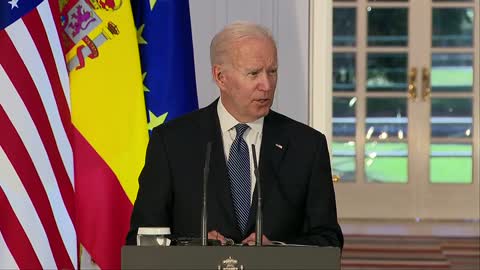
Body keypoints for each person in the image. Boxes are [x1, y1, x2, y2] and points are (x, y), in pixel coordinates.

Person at [126, 21, 343, 247]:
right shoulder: (172, 143)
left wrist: (280, 251)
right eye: (254, 73)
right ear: (220, 77)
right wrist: (190, 247)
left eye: (272, 71)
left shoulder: (307, 146)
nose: (267, 85)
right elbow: (142, 240)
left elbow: (328, 241)